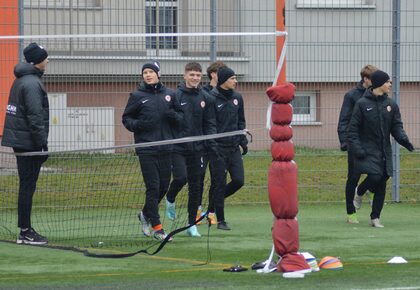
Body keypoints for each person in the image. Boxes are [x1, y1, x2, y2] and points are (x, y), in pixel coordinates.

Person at [122, 60, 183, 241]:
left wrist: (173, 116)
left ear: (159, 74)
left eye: (151, 71)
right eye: (145, 72)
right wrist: (139, 125)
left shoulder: (170, 95)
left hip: (166, 148)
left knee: (164, 186)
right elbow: (127, 119)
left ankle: (145, 214)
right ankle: (158, 228)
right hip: (146, 149)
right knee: (153, 187)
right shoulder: (137, 96)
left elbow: (181, 117)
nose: (148, 75)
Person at [347, 70, 414, 228]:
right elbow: (353, 130)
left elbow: (396, 127)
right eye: (387, 82)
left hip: (384, 150)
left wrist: (404, 141)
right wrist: (357, 148)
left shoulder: (391, 105)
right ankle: (360, 191)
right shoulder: (362, 104)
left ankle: (375, 217)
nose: (390, 84)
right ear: (378, 84)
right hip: (366, 150)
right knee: (375, 176)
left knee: (382, 180)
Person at [1, 43, 50, 245]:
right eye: (45, 58)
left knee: (26, 186)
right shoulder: (30, 83)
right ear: (38, 61)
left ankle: (25, 229)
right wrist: (42, 145)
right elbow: (35, 117)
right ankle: (25, 231)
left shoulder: (22, 80)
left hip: (22, 141)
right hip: (28, 142)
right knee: (27, 186)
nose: (47, 61)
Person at [164, 62, 217, 237]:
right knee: (181, 178)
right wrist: (176, 119)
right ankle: (170, 198)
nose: (195, 78)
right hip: (178, 147)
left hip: (199, 149)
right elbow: (168, 118)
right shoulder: (175, 95)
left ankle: (191, 224)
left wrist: (211, 143)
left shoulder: (206, 98)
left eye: (197, 75)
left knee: (196, 187)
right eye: (191, 74)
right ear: (185, 75)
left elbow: (209, 123)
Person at [208, 66, 248, 230]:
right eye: (232, 78)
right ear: (224, 80)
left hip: (233, 148)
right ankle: (221, 220)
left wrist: (242, 141)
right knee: (219, 183)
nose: (235, 81)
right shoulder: (211, 98)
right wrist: (213, 145)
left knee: (238, 180)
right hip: (217, 149)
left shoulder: (237, 97)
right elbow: (209, 124)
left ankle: (212, 203)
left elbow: (241, 121)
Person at [337, 65, 378, 224]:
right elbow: (344, 120)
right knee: (353, 177)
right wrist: (344, 141)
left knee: (377, 175)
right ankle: (351, 213)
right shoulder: (352, 96)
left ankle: (365, 191)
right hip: (355, 143)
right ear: (365, 79)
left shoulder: (378, 95)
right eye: (374, 79)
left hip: (373, 143)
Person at [197, 61, 226, 225]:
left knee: (218, 179)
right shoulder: (203, 92)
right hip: (203, 143)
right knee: (199, 178)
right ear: (213, 74)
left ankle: (212, 211)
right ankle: (197, 210)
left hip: (219, 145)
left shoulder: (227, 93)